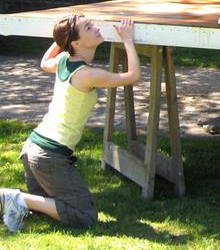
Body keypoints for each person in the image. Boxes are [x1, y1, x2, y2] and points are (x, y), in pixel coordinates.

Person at [0, 15, 140, 233]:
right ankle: (15, 198)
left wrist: (62, 40)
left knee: (49, 206)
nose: (96, 27)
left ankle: (20, 201)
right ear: (76, 43)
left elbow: (44, 63)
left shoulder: (64, 60)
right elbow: (132, 76)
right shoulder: (87, 74)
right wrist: (128, 40)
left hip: (33, 149)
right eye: (88, 27)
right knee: (83, 216)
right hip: (48, 157)